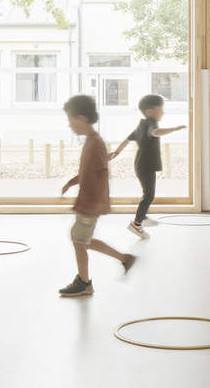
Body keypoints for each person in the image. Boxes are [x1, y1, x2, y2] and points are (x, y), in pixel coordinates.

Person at [57, 94, 135, 296]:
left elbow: (100, 176)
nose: (69, 125)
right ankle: (124, 259)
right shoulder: (92, 141)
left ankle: (84, 282)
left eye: (70, 120)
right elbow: (87, 172)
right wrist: (71, 183)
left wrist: (93, 204)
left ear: (81, 119)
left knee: (78, 239)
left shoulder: (95, 143)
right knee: (83, 239)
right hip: (88, 202)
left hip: (89, 204)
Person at [109, 93, 186, 239]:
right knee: (149, 195)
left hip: (141, 164)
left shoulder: (141, 125)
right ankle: (136, 224)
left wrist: (116, 153)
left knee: (147, 193)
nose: (162, 112)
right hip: (146, 165)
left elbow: (127, 139)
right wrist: (175, 128)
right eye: (160, 109)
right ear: (150, 111)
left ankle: (142, 217)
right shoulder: (151, 123)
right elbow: (155, 132)